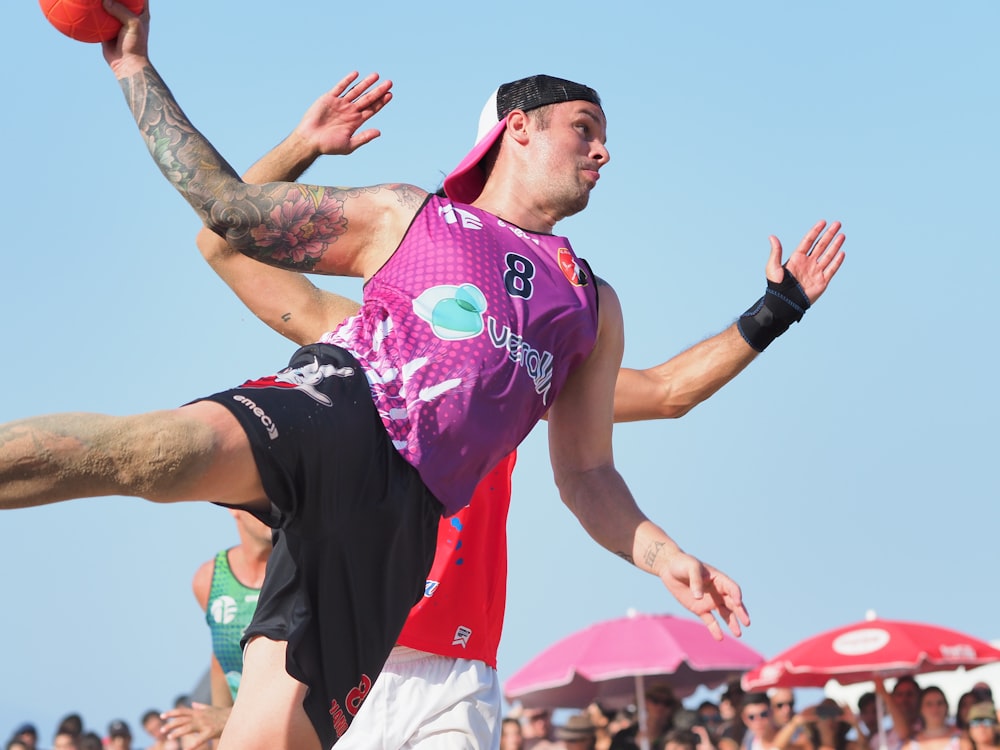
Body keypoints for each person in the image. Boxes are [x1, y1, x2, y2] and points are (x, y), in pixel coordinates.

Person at [0, 4, 850, 750]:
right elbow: (224, 218)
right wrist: (137, 68)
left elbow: (594, 466)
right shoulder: (411, 217)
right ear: (517, 126)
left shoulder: (586, 307)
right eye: (583, 128)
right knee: (147, 454)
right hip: (335, 411)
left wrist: (666, 553)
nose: (603, 150)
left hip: (399, 535)